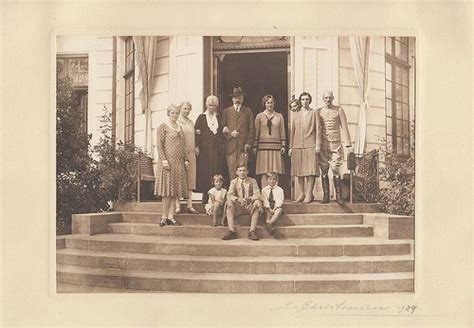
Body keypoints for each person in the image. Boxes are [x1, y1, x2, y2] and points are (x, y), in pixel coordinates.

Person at [155, 104, 189, 226]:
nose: (175, 115)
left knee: (174, 191)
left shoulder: (179, 127)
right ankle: (164, 217)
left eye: (176, 113)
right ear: (168, 113)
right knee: (167, 191)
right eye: (172, 113)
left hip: (178, 162)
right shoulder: (163, 127)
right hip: (167, 163)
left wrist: (185, 159)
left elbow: (183, 145)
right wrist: (164, 160)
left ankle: (171, 216)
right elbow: (159, 145)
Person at [317, 91, 354, 205]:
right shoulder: (318, 112)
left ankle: (339, 196)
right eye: (326, 98)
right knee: (324, 168)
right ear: (323, 99)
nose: (328, 99)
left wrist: (348, 144)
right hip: (323, 144)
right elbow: (317, 128)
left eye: (330, 97)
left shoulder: (339, 110)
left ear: (333, 98)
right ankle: (326, 195)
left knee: (335, 168)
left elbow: (344, 127)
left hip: (336, 143)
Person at [288, 92, 321, 203]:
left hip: (310, 145)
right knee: (299, 170)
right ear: (300, 101)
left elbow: (318, 130)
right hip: (297, 145)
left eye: (307, 99)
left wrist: (317, 145)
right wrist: (291, 147)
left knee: (310, 171)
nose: (305, 101)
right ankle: (301, 193)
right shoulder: (296, 114)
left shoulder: (314, 113)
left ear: (309, 100)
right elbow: (292, 131)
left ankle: (309, 194)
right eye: (302, 99)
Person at [194, 95, 224, 204]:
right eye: (210, 105)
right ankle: (205, 197)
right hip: (204, 151)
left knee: (216, 170)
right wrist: (196, 146)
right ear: (206, 105)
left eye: (214, 106)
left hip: (216, 150)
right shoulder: (201, 117)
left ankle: (217, 197)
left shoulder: (219, 117)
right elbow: (196, 133)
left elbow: (221, 133)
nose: (212, 108)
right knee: (205, 171)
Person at [221, 87, 255, 180]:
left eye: (239, 97)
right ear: (232, 99)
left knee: (243, 172)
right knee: (232, 172)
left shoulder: (248, 111)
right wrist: (230, 134)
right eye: (235, 97)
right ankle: (233, 193)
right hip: (230, 147)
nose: (237, 99)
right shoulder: (226, 112)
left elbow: (252, 129)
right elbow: (222, 128)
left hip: (243, 147)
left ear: (242, 99)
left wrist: (248, 143)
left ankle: (242, 193)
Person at [222, 164, 262, 241]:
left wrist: (249, 199)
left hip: (249, 206)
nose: (242, 173)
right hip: (238, 207)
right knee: (229, 202)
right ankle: (231, 231)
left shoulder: (252, 181)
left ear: (247, 172)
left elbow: (258, 194)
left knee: (257, 202)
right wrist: (238, 199)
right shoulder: (233, 182)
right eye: (240, 171)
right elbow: (229, 195)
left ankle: (252, 231)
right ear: (237, 172)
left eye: (244, 170)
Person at [253, 94, 286, 187]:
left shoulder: (279, 116)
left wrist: (283, 145)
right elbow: (256, 132)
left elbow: (282, 132)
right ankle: (265, 194)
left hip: (276, 147)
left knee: (275, 171)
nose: (270, 105)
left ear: (274, 103)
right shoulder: (259, 116)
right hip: (263, 147)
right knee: (264, 171)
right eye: (267, 103)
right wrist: (255, 146)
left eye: (271, 103)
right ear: (264, 104)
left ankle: (275, 194)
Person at [176, 101, 198, 214]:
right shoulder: (177, 122)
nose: (187, 111)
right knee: (180, 178)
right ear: (180, 109)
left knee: (190, 179)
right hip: (181, 154)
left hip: (191, 153)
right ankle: (177, 205)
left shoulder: (191, 122)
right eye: (184, 108)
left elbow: (194, 137)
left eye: (188, 109)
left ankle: (190, 204)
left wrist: (196, 148)